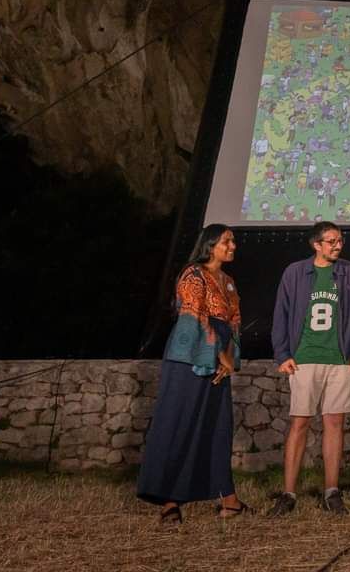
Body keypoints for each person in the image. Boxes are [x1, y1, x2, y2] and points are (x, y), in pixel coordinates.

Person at [137, 224, 249, 523]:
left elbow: (234, 321)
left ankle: (229, 498)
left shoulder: (227, 281)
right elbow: (195, 315)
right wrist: (219, 355)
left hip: (219, 359)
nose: (233, 245)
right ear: (210, 245)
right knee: (180, 423)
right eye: (227, 241)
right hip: (190, 359)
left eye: (233, 241)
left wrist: (229, 360)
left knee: (217, 426)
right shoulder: (193, 275)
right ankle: (169, 501)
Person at [267, 222, 350, 516]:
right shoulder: (295, 272)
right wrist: (282, 353)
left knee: (335, 423)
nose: (338, 245)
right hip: (304, 357)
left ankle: (331, 492)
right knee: (299, 423)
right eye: (332, 241)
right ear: (317, 245)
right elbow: (281, 314)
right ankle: (288, 493)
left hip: (338, 360)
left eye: (340, 240)